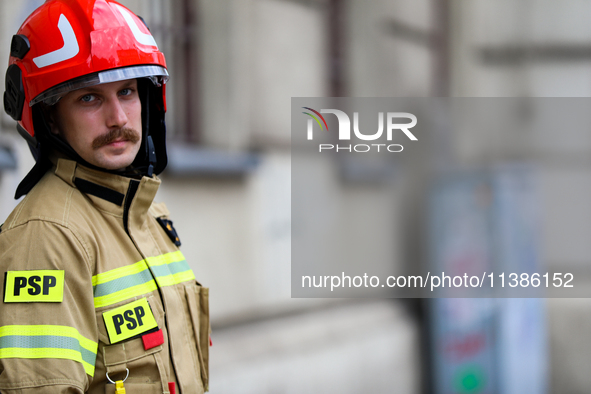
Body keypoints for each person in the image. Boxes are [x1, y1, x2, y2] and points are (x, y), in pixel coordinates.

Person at [0, 1, 209, 393]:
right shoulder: (47, 236)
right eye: (89, 98)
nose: (118, 118)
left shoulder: (145, 214)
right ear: (49, 118)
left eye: (127, 91)